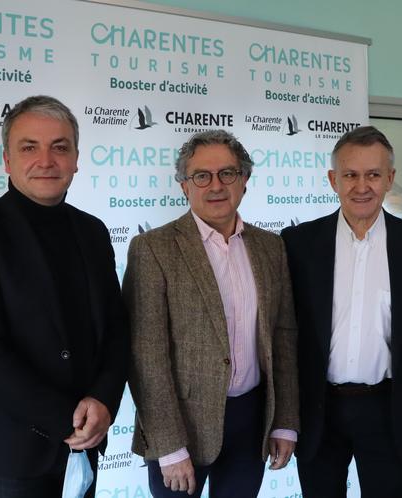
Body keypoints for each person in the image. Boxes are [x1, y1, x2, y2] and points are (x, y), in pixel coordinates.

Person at [0, 95, 129, 498]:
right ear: (7, 160)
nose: (47, 160)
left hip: (86, 442)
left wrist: (104, 399)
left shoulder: (93, 232)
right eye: (30, 147)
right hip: (10, 454)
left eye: (60, 147)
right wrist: (67, 420)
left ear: (76, 158)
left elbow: (115, 329)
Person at [123, 130, 299, 498]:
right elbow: (146, 355)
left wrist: (284, 422)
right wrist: (169, 446)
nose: (215, 185)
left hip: (251, 423)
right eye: (201, 176)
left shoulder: (271, 247)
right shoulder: (152, 249)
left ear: (245, 181)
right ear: (185, 186)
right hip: (182, 427)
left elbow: (282, 338)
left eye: (227, 174)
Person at [281, 126, 402, 498]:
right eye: (350, 175)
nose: (362, 186)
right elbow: (289, 327)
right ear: (332, 180)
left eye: (373, 174)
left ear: (390, 179)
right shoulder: (298, 244)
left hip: (388, 410)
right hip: (318, 409)